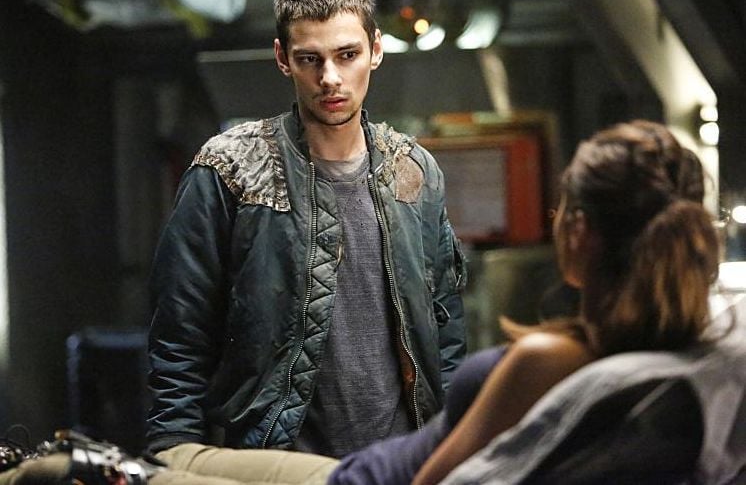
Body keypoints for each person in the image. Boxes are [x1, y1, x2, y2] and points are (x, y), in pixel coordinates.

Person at [148, 119, 720, 485]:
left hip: (367, 480)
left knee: (160, 470)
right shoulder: (691, 346)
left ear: (578, 233)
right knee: (174, 465)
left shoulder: (548, 358)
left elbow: (437, 479)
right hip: (356, 467)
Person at [146, 0, 467, 462]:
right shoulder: (231, 169)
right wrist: (175, 453)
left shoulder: (413, 171)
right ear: (283, 59)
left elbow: (445, 331)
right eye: (309, 59)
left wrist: (456, 446)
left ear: (376, 50)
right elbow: (180, 334)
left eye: (347, 55)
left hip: (401, 460)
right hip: (277, 459)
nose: (330, 78)